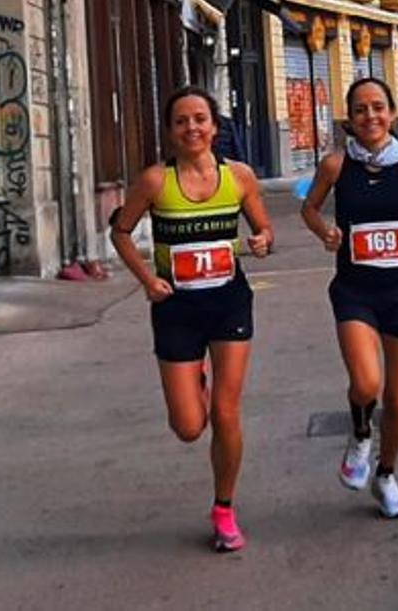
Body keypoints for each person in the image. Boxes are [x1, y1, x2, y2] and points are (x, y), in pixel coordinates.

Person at [110, 86, 273, 552]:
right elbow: (121, 233)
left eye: (200, 119)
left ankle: (224, 508)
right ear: (170, 132)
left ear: (215, 127)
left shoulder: (239, 177)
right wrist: (146, 279)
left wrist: (262, 240)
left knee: (226, 412)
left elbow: (264, 229)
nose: (192, 128)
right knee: (188, 426)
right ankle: (195, 382)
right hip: (176, 308)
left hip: (228, 302)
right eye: (181, 121)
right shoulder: (154, 182)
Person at [300, 77, 398, 518]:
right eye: (361, 109)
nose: (371, 117)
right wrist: (325, 232)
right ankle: (360, 433)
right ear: (349, 118)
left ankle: (385, 475)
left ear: (394, 113)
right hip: (355, 290)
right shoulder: (334, 166)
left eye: (379, 107)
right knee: (367, 384)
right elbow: (309, 208)